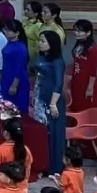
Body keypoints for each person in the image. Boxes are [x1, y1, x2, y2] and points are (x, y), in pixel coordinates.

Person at [34, 31, 66, 178]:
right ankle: (42, 165)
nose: (40, 43)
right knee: (42, 133)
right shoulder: (40, 57)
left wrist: (53, 104)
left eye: (43, 41)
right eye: (39, 40)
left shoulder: (58, 61)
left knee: (54, 133)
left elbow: (59, 83)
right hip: (40, 97)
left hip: (53, 101)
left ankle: (55, 167)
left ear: (51, 43)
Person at [0, 20, 30, 115]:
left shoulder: (21, 48)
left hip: (16, 80)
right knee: (5, 105)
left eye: (9, 30)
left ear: (17, 33)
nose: (6, 32)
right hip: (6, 77)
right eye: (5, 29)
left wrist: (14, 85)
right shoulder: (9, 43)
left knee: (16, 107)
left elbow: (19, 68)